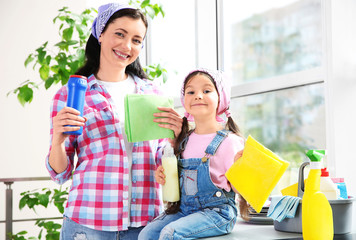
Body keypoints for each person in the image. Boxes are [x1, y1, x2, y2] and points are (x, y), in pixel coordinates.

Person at [45, 2, 182, 239]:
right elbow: (61, 173)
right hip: (88, 223)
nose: (127, 45)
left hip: (145, 223)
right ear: (100, 34)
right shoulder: (71, 94)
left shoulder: (151, 93)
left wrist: (176, 138)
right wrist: (57, 140)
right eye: (120, 34)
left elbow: (163, 153)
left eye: (137, 40)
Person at [138, 68, 250, 240]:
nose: (198, 95)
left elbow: (241, 190)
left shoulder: (230, 141)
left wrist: (241, 170)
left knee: (170, 234)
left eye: (206, 90)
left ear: (220, 98)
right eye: (191, 91)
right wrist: (164, 176)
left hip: (218, 213)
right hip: (184, 210)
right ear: (184, 101)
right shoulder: (183, 140)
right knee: (147, 235)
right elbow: (177, 182)